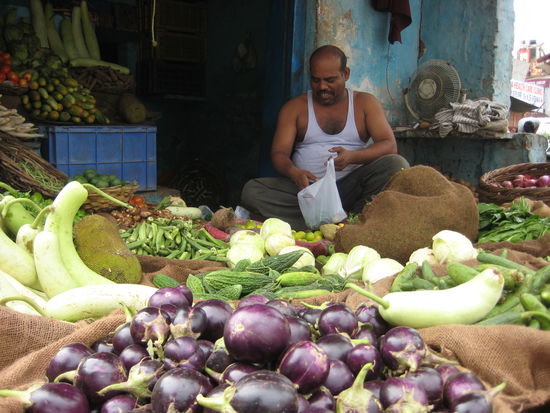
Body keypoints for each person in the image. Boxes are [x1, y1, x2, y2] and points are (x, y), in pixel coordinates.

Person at [240, 45, 410, 230]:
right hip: (307, 193)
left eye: (330, 80)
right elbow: (279, 153)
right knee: (252, 191)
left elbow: (389, 145)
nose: (322, 87)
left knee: (396, 164)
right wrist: (294, 173)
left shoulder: (364, 103)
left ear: (345, 73)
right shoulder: (295, 108)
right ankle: (332, 224)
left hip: (349, 191)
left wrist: (353, 157)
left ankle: (354, 221)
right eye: (315, 80)